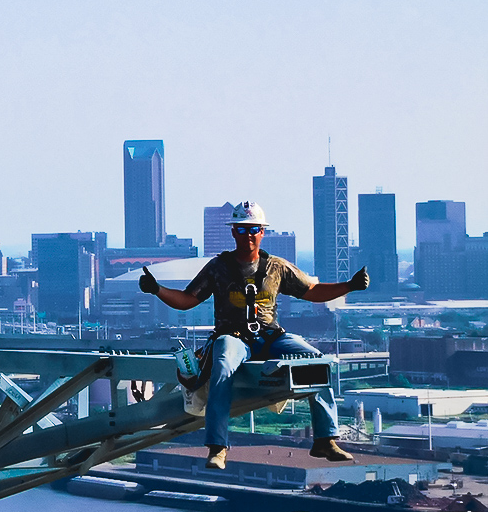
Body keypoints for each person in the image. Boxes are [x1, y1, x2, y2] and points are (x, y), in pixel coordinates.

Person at [139, 200, 369, 470]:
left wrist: (349, 286)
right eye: (242, 229)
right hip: (233, 336)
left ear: (262, 232)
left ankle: (325, 440)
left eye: (253, 230)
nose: (248, 235)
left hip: (270, 336)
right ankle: (217, 447)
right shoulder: (218, 268)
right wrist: (157, 289)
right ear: (233, 232)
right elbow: (188, 299)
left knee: (316, 362)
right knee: (222, 366)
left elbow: (312, 291)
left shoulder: (276, 268)